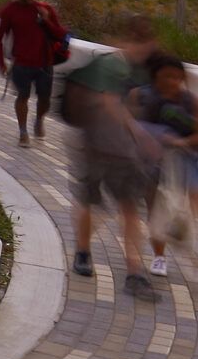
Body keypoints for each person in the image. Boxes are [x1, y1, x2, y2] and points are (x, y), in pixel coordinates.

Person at [64, 15, 162, 298]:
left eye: (146, 43)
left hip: (124, 153)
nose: (142, 49)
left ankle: (134, 269)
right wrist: (140, 134)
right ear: (124, 41)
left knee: (129, 207)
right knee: (90, 202)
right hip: (93, 145)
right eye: (137, 42)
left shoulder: (143, 71)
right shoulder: (111, 65)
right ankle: (83, 250)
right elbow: (109, 103)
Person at [137, 54, 198, 274]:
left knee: (195, 201)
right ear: (156, 78)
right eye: (165, 76)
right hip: (156, 162)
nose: (171, 81)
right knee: (155, 207)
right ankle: (159, 256)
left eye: (175, 76)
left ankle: (194, 244)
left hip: (188, 160)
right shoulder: (151, 102)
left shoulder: (194, 103)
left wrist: (182, 142)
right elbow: (141, 131)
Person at [0, 0, 69, 147]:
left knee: (45, 99)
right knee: (22, 96)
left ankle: (39, 120)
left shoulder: (44, 8)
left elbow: (60, 34)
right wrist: (1, 63)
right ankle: (23, 132)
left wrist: (46, 19)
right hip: (21, 64)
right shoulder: (9, 11)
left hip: (44, 63)